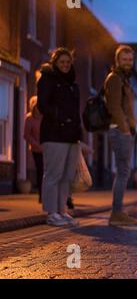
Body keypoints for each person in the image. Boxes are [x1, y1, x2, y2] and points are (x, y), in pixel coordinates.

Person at [37, 48, 82, 227]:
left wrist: (79, 133)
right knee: (53, 174)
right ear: (55, 62)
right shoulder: (48, 79)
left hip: (71, 136)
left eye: (68, 62)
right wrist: (60, 117)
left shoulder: (73, 85)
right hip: (54, 134)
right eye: (62, 62)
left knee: (66, 176)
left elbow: (76, 112)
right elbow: (42, 105)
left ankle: (62, 211)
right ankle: (51, 213)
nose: (65, 65)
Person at [104, 45, 137, 226]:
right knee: (123, 171)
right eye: (124, 60)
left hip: (124, 130)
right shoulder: (115, 79)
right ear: (118, 60)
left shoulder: (125, 80)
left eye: (130, 60)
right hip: (120, 131)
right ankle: (116, 213)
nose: (128, 63)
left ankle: (118, 212)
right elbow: (114, 107)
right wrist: (125, 128)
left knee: (123, 170)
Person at [24, 96, 43, 203]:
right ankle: (41, 195)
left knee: (48, 173)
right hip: (36, 150)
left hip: (47, 149)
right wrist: (36, 145)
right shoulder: (29, 118)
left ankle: (48, 195)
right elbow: (26, 135)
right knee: (40, 171)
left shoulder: (44, 118)